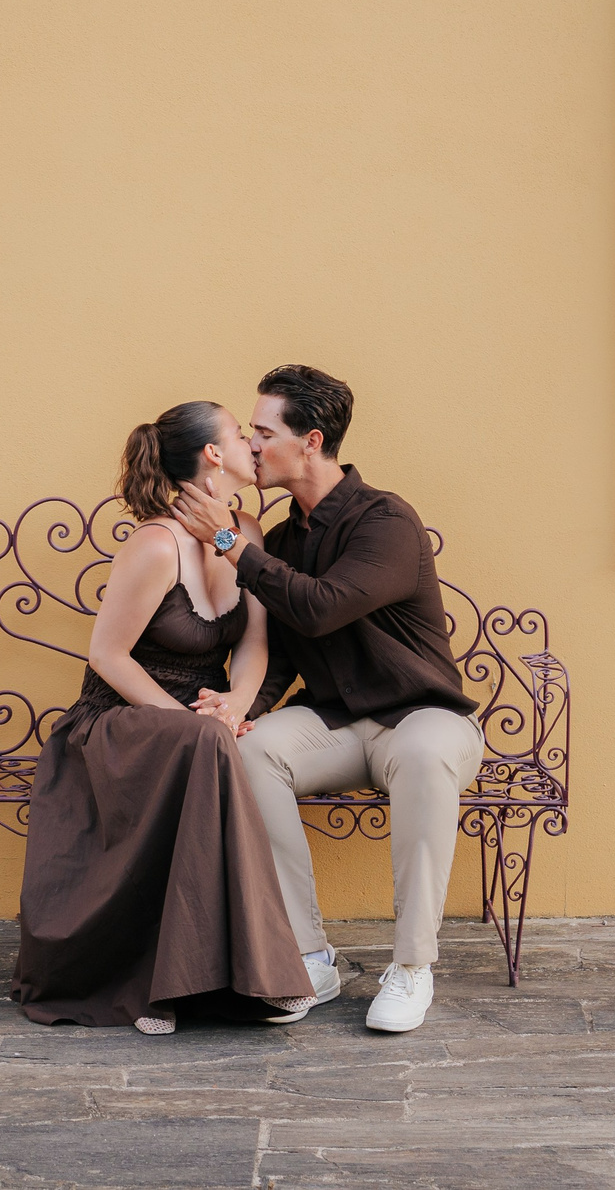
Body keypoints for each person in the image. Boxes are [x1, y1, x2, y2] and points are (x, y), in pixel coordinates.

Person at [170, 365, 483, 1034]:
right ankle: (309, 957)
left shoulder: (385, 520)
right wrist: (240, 709)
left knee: (424, 753)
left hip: (424, 717)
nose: (251, 446)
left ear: (311, 441)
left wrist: (227, 541)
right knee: (249, 753)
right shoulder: (284, 541)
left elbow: (320, 607)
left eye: (264, 432)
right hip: (338, 724)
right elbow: (283, 649)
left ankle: (412, 966)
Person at [11, 402, 316, 1035]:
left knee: (211, 746)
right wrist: (194, 721)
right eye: (241, 434)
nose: (253, 445)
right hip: (120, 723)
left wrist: (236, 704)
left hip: (199, 731)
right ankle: (162, 985)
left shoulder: (246, 534)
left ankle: (225, 976)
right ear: (213, 455)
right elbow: (107, 656)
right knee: (205, 746)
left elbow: (254, 641)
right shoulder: (155, 544)